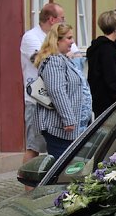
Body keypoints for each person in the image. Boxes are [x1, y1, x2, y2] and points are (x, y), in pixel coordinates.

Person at [33, 23, 92, 160]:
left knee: (70, 166)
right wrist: (68, 119)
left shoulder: (64, 59)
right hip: (60, 127)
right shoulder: (54, 61)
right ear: (57, 40)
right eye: (69, 38)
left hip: (71, 127)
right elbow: (57, 91)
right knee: (62, 167)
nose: (72, 42)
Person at [20, 2, 67, 163]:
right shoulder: (31, 37)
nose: (64, 21)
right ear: (52, 19)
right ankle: (27, 184)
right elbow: (40, 59)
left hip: (59, 100)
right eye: (62, 18)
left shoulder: (61, 37)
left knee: (57, 148)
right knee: (34, 147)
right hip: (38, 100)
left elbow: (76, 58)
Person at [87, 10, 116, 117]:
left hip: (99, 100)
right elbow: (111, 77)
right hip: (109, 103)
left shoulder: (99, 46)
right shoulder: (107, 49)